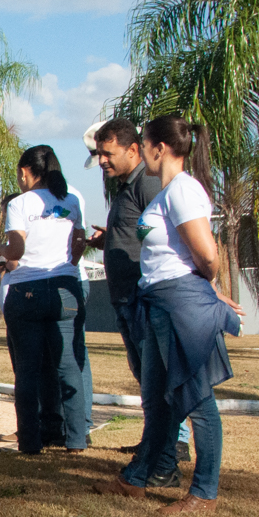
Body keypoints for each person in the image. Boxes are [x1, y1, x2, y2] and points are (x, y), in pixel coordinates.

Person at [95, 117, 241, 514]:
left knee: (199, 401)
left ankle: (204, 493)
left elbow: (207, 255)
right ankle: (135, 479)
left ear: (158, 148)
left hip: (181, 304)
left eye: (143, 144)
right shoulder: (165, 192)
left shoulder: (183, 190)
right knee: (157, 400)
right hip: (158, 302)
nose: (140, 151)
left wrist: (206, 289)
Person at [84, 118, 186, 481]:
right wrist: (110, 238)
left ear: (132, 150)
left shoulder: (147, 183)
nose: (101, 161)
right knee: (147, 383)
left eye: (107, 154)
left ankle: (167, 457)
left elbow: (167, 237)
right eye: (99, 154)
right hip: (127, 299)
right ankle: (156, 452)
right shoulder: (128, 187)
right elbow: (141, 231)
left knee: (157, 386)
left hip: (144, 299)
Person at [0, 145, 90, 454]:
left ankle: (31, 442)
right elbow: (80, 242)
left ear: (24, 173)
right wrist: (67, 266)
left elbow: (16, 251)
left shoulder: (20, 203)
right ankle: (77, 439)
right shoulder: (71, 201)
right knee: (68, 365)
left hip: (27, 290)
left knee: (28, 369)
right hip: (65, 287)